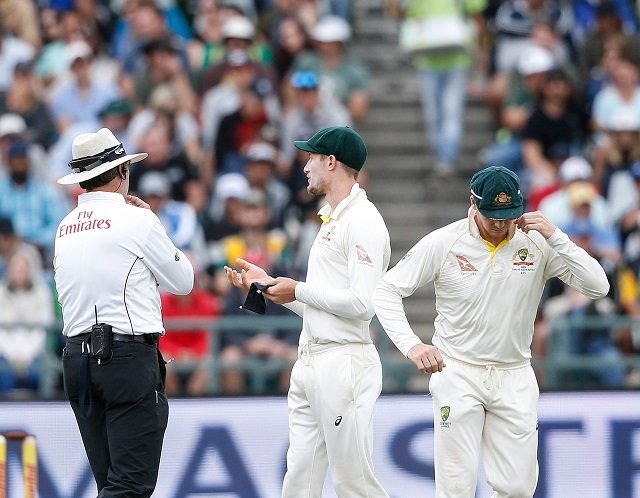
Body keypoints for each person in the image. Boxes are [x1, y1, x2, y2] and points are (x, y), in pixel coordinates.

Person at [373, 166, 609, 497]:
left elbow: (598, 286)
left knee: (517, 488)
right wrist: (412, 345)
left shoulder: (538, 243)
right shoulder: (446, 241)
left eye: (508, 215)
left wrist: (557, 236)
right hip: (457, 371)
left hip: (514, 374)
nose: (500, 224)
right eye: (492, 215)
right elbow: (386, 290)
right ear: (473, 202)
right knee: (456, 487)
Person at [225, 126, 390, 497]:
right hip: (312, 360)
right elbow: (323, 305)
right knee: (299, 483)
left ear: (331, 162)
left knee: (354, 483)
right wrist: (269, 287)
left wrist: (297, 288)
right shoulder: (333, 219)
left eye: (312, 158)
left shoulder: (363, 221)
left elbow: (363, 304)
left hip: (344, 362)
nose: (305, 167)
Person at [53, 127, 194, 497]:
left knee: (112, 484)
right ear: (121, 172)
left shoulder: (65, 227)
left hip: (76, 360)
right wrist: (157, 225)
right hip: (126, 359)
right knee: (130, 485)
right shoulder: (138, 220)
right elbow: (183, 281)